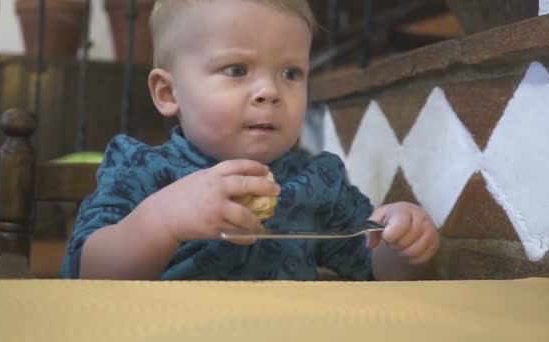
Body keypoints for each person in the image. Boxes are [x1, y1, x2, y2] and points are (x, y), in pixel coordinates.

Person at [61, 0, 440, 281]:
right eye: (237, 70)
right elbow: (84, 274)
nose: (270, 91)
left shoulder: (318, 182)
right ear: (168, 93)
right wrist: (160, 222)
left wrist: (401, 248)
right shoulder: (141, 170)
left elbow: (370, 272)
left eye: (291, 73)